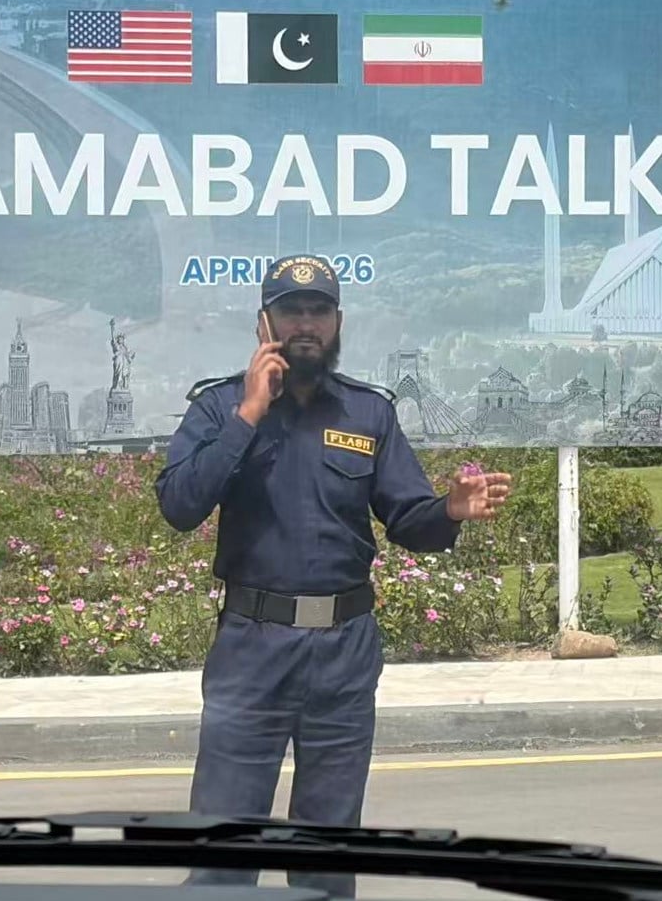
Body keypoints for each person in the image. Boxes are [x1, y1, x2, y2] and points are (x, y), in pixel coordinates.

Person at [155, 253, 512, 895]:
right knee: (222, 851)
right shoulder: (218, 407)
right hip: (252, 650)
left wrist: (450, 510)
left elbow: (409, 519)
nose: (305, 324)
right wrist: (248, 414)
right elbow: (180, 506)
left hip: (343, 657)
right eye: (291, 311)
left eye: (318, 311)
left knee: (327, 854)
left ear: (338, 323)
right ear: (264, 322)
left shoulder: (367, 414)